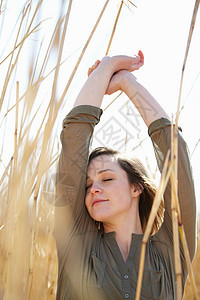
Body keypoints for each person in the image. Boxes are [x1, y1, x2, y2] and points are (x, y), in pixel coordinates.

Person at [55, 52, 196, 300]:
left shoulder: (171, 251)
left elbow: (175, 153)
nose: (93, 189)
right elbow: (74, 136)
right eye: (87, 185)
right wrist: (106, 67)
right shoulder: (78, 243)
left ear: (136, 188)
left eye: (106, 178)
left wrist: (129, 84)